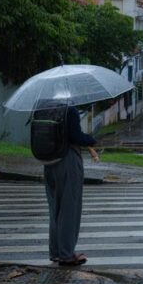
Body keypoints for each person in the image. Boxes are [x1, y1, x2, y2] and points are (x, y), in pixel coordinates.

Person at [44, 105, 100, 266]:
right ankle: (67, 254)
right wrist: (91, 140)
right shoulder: (69, 110)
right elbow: (76, 137)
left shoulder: (44, 108)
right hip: (67, 161)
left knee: (55, 208)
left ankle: (55, 252)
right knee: (69, 209)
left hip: (48, 161)